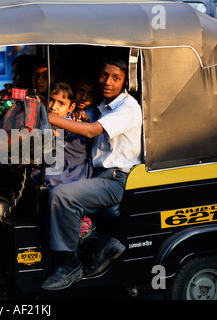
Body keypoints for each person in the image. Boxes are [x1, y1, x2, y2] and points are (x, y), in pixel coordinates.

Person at [41, 55, 143, 291]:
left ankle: (68, 265)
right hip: (96, 175)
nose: (107, 82)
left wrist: (49, 117)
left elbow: (90, 131)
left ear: (125, 82)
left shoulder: (128, 108)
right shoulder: (101, 107)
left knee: (61, 195)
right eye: (104, 75)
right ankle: (100, 243)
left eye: (116, 78)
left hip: (116, 180)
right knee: (45, 189)